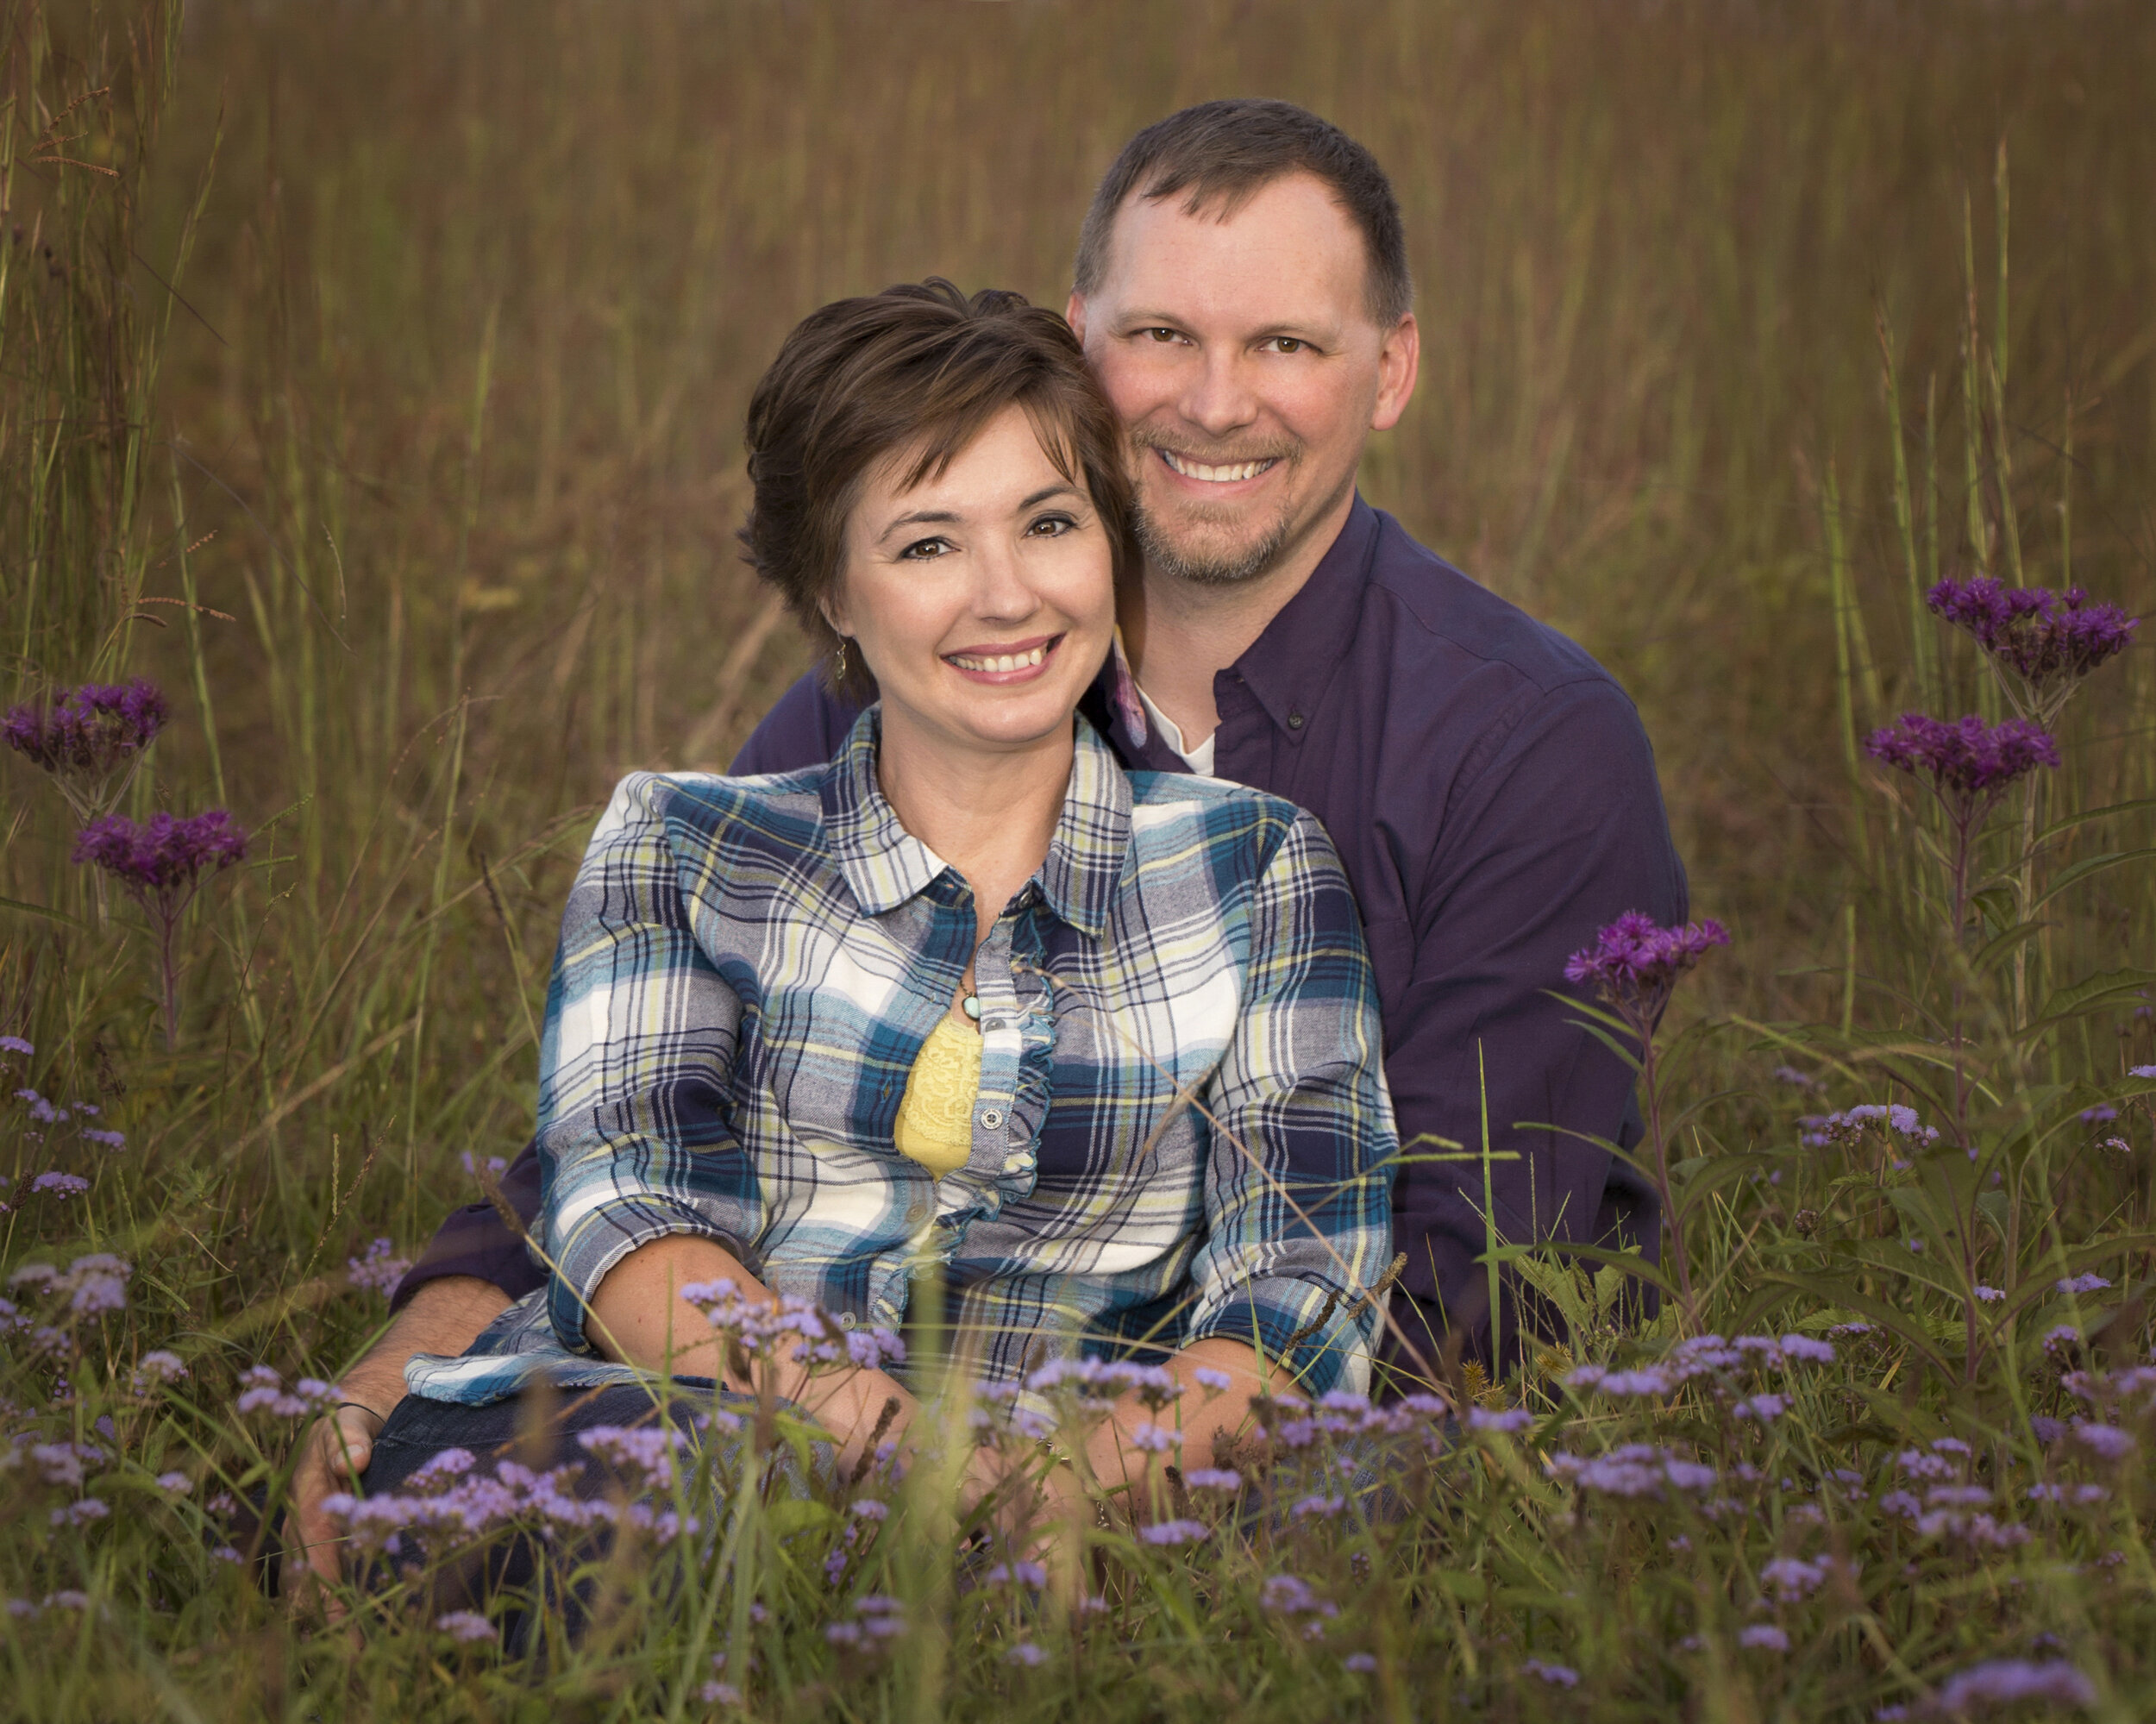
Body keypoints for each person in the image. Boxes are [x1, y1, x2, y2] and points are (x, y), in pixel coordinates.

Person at [296, 97, 1684, 1577]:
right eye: (1161, 337)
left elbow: (1454, 1281)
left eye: (1287, 344)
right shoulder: (894, 700)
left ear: (1390, 369)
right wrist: (413, 1367)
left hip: (1242, 1439)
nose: (1216, 402)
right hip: (794, 1418)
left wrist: (1052, 1495)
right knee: (543, 1515)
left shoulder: (1520, 747)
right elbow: (624, 1138)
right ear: (1082, 340)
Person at [329, 281, 1396, 1583]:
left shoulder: (1257, 867)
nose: (1006, 597)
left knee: (1354, 1512)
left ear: (1112, 548)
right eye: (929, 545)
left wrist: (1074, 1483)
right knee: (637, 1512)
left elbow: (1301, 1273)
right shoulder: (686, 844)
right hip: (707, 1428)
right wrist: (895, 1451)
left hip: (1093, 1471)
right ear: (832, 589)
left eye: (1049, 524)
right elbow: (625, 1204)